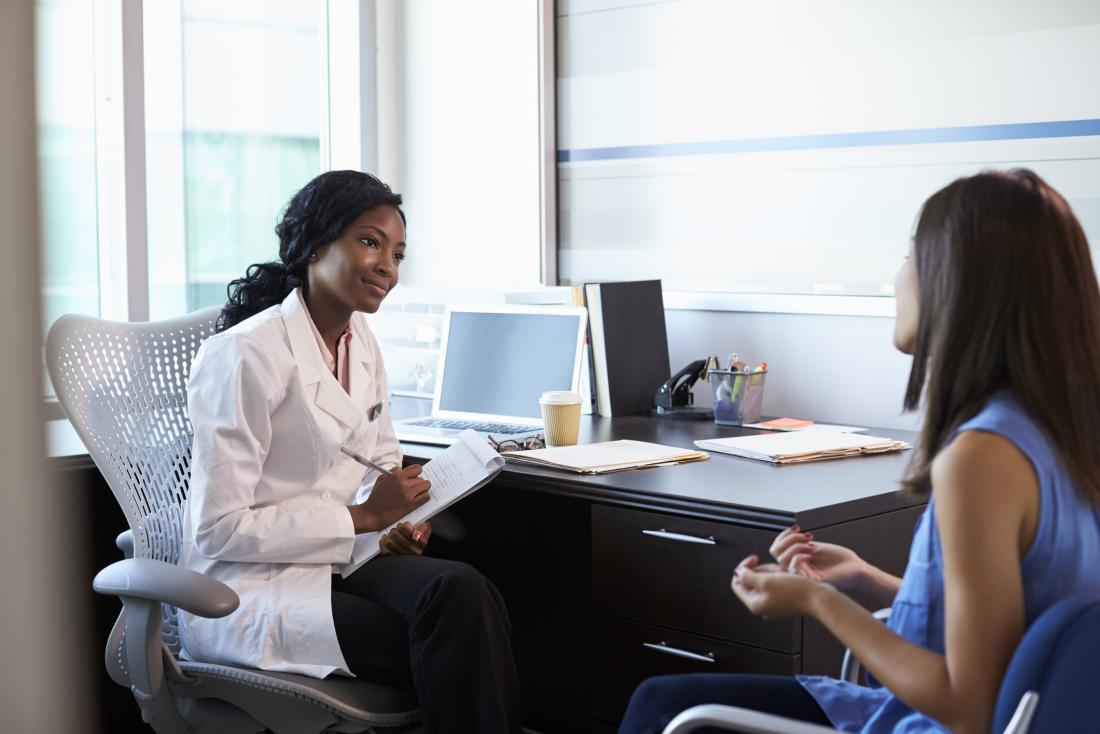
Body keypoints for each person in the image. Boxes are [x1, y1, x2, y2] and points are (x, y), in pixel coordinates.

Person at [618, 169, 1100, 734]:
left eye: (909, 256)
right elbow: (1015, 630)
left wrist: (818, 603)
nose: (898, 277)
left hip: (919, 722)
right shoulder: (1063, 437)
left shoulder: (980, 460)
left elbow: (968, 706)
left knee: (660, 709)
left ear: (958, 281)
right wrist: (871, 579)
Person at [178, 170, 522, 733]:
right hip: (249, 588)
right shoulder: (243, 355)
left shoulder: (360, 341)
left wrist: (397, 520)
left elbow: (378, 458)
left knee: (465, 594)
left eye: (398, 253)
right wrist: (364, 515)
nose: (388, 265)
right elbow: (218, 530)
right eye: (370, 242)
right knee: (452, 637)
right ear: (316, 245)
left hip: (341, 559)